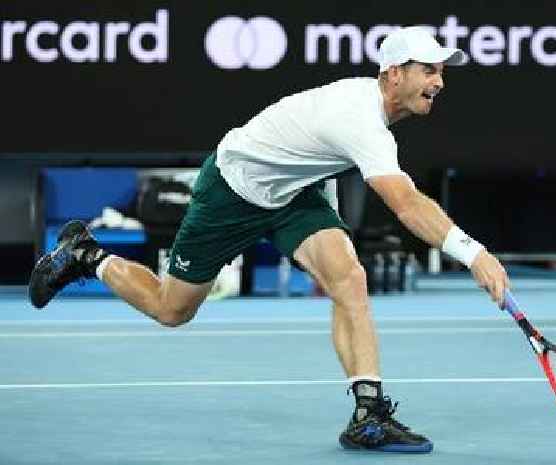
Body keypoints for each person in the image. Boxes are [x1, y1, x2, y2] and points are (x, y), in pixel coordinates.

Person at [28, 27, 510, 453]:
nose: (439, 82)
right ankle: (86, 254)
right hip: (233, 188)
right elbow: (404, 203)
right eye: (429, 70)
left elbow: (321, 161)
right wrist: (474, 254)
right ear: (393, 74)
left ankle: (369, 416)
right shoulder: (360, 117)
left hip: (293, 194)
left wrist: (329, 228)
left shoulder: (371, 113)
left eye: (442, 72)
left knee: (350, 279)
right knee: (171, 309)